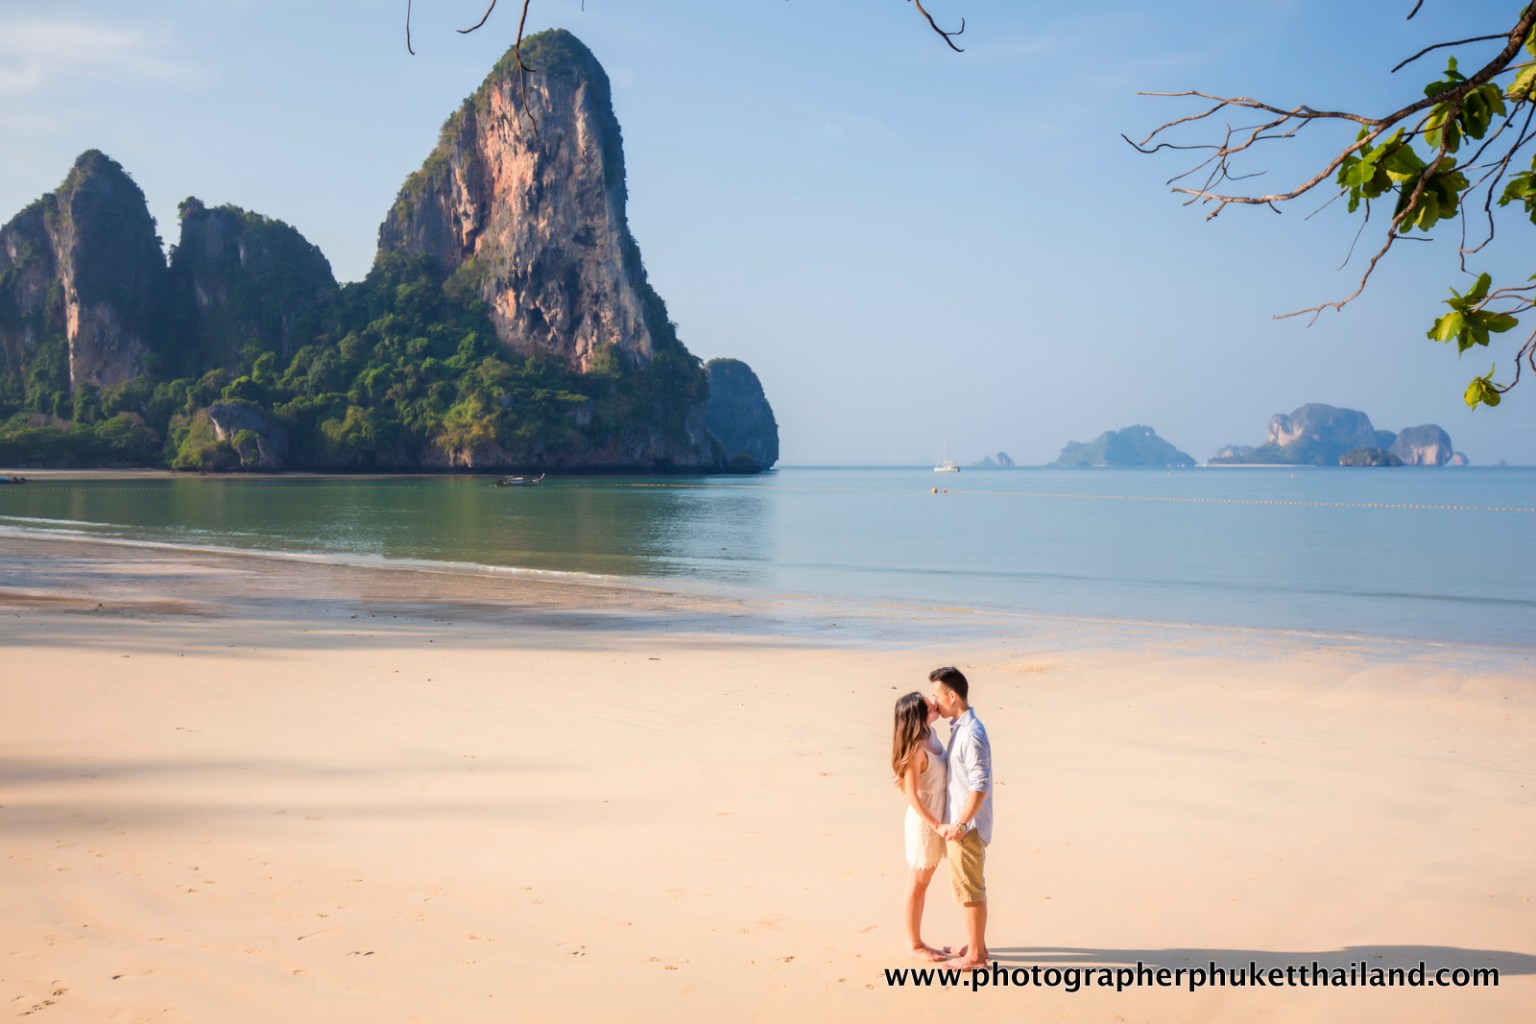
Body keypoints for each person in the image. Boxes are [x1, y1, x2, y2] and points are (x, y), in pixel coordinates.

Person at [930, 666, 992, 970]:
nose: (934, 702)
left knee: (970, 891)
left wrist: (960, 823)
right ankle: (975, 943)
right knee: (969, 887)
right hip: (963, 823)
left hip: (965, 826)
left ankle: (977, 956)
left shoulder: (971, 733)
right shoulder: (960, 727)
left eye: (936, 696)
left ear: (952, 696)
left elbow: (980, 785)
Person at [891, 691, 951, 962]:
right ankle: (913, 944)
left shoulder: (933, 735)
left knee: (923, 882)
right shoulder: (916, 751)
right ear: (917, 715)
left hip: (939, 817)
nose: (934, 703)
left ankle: (916, 941)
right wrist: (936, 825)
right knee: (917, 883)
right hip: (925, 822)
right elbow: (911, 795)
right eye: (928, 704)